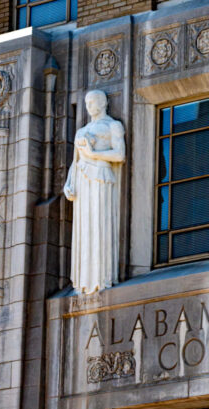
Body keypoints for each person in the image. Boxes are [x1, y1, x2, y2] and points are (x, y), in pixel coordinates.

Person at [64, 90, 125, 294]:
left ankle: (102, 277)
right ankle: (85, 280)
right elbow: (76, 160)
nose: (89, 105)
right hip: (82, 181)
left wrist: (94, 154)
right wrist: (69, 183)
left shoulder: (112, 125)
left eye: (93, 101)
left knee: (100, 223)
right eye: (87, 102)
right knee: (85, 227)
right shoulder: (82, 130)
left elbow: (119, 154)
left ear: (103, 102)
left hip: (101, 177)